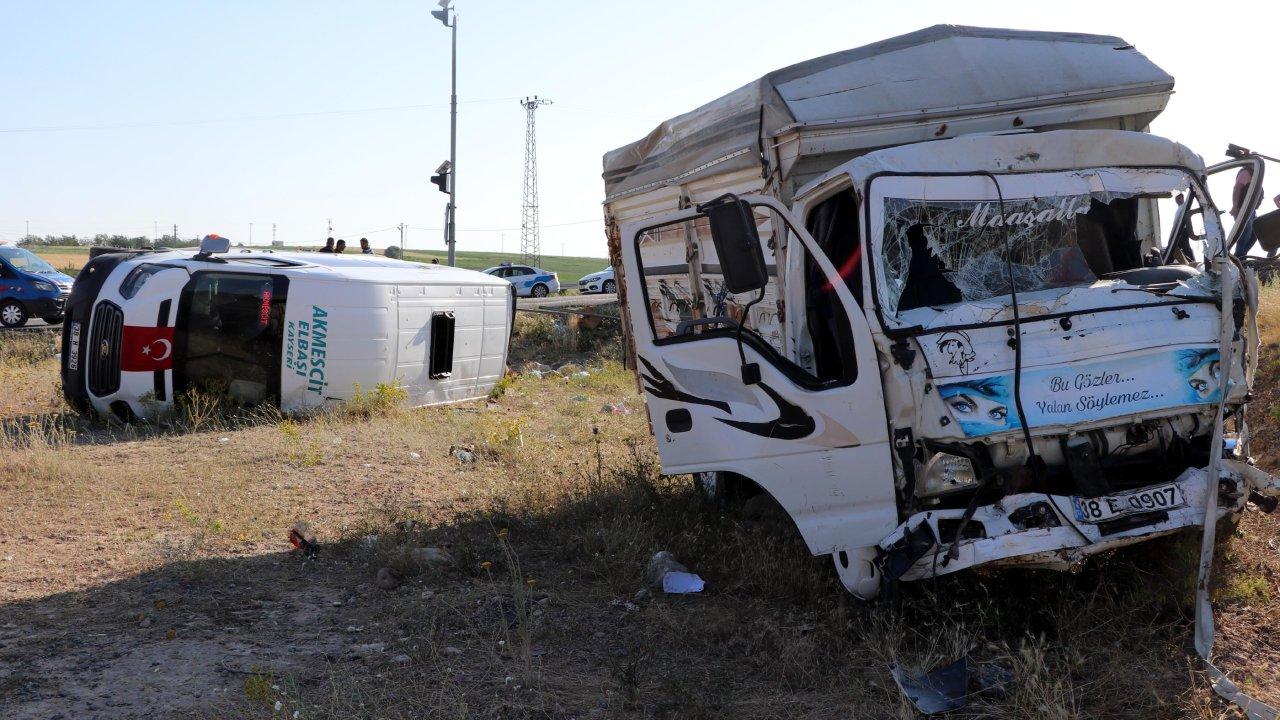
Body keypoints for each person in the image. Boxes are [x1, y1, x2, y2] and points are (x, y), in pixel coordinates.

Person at [1231, 166, 1260, 258]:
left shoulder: (1256, 175)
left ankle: (1241, 256)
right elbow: (1237, 188)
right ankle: (1239, 257)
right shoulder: (1246, 172)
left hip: (1251, 210)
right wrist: (1235, 206)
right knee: (1244, 236)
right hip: (1243, 209)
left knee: (1256, 233)